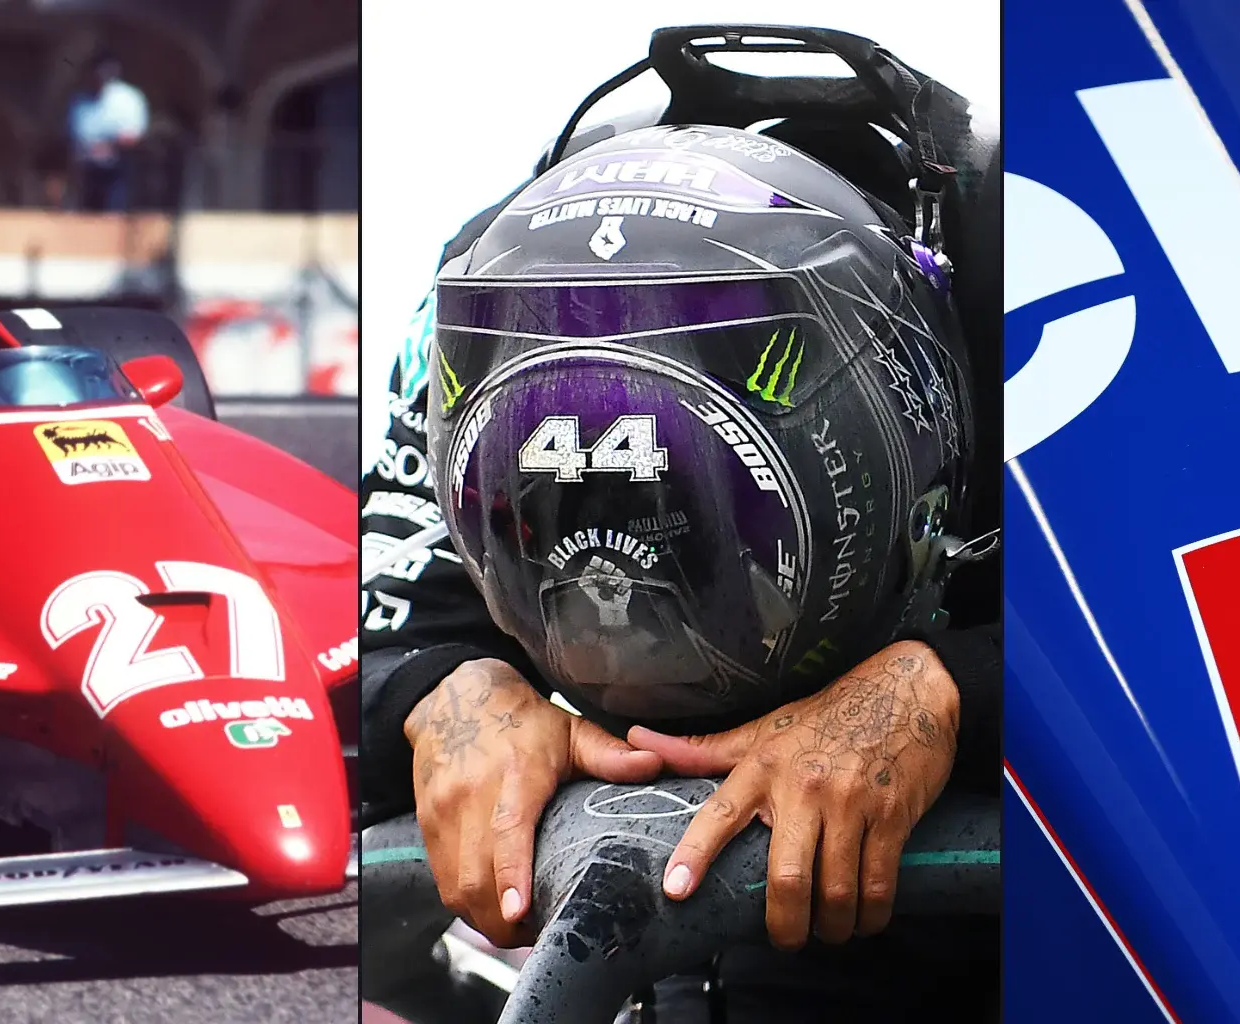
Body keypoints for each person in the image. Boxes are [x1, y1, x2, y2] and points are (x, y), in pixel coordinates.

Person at [361, 33, 999, 1023]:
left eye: (709, 528)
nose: (638, 643)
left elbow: (1217, 630)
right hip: (659, 914)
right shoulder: (493, 295)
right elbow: (353, 632)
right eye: (559, 515)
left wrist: (953, 681)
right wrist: (442, 683)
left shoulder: (1031, 283)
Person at [66, 54, 149, 213]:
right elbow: (73, 135)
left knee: (113, 213)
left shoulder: (128, 99)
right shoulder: (80, 101)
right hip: (86, 168)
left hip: (119, 168)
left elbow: (136, 135)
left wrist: (109, 145)